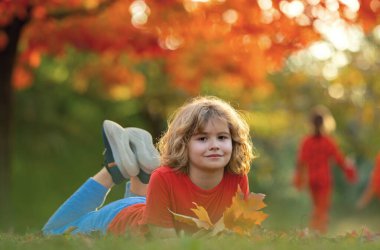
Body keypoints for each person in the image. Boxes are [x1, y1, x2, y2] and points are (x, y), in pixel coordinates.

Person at [42, 96, 255, 238]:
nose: (215, 145)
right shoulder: (164, 177)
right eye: (202, 138)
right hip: (118, 218)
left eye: (222, 137)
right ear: (183, 145)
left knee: (147, 200)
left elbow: (237, 234)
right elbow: (164, 242)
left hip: (148, 204)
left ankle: (142, 173)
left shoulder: (237, 177)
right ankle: (113, 169)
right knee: (52, 232)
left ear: (234, 141)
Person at [293, 105, 357, 233]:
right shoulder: (328, 141)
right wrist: (350, 171)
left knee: (317, 207)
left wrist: (298, 180)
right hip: (324, 180)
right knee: (322, 208)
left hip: (312, 179)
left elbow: (300, 163)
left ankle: (314, 232)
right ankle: (318, 232)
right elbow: (340, 160)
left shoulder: (306, 142)